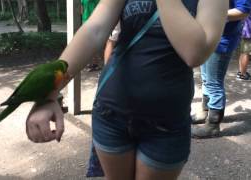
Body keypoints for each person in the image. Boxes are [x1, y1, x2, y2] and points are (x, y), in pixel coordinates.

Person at [25, 0, 228, 179]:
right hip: (111, 114)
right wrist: (49, 94)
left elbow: (194, 53)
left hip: (166, 125)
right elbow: (93, 30)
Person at [192, 0, 251, 138]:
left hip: (222, 40)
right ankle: (204, 111)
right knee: (206, 79)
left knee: (214, 83)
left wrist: (211, 15)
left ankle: (213, 125)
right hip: (206, 36)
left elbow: (243, 11)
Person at [81, 0, 101, 72]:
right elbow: (82, 9)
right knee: (87, 43)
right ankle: (90, 63)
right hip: (85, 20)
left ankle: (95, 64)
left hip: (93, 21)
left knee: (93, 43)